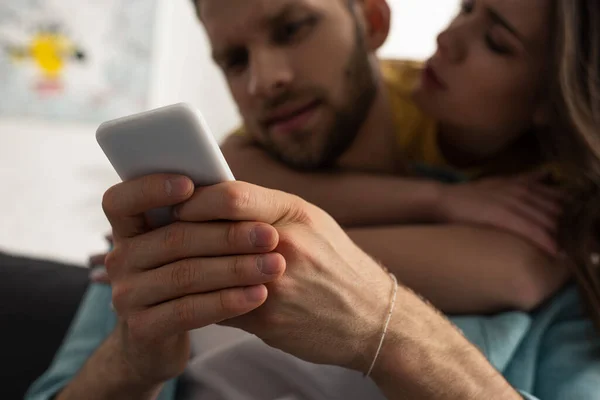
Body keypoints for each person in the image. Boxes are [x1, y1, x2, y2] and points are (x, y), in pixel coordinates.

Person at [26, 0, 600, 399]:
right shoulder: (179, 224)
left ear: (372, 20)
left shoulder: (529, 223)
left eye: (293, 27)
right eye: (234, 61)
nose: (264, 81)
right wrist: (131, 367)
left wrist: (388, 329)